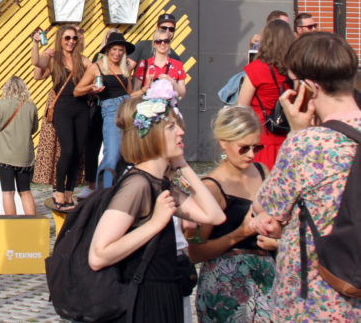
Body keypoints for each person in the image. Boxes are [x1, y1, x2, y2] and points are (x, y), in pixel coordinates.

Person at [88, 79, 225, 323]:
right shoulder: (137, 184)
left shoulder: (159, 184)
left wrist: (182, 164)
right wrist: (155, 223)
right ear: (152, 135)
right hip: (144, 300)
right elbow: (98, 255)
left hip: (166, 295)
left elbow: (214, 216)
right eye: (171, 127)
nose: (181, 132)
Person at [251, 32, 361, 321]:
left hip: (315, 298)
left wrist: (297, 130)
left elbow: (267, 207)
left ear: (311, 87)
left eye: (293, 82)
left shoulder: (309, 144)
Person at [189, 106, 277, 322]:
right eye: (244, 148)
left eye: (257, 147)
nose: (251, 154)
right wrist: (240, 233)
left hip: (266, 277)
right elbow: (195, 251)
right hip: (225, 283)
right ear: (224, 142)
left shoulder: (262, 171)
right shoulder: (211, 187)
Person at [31, 25, 91, 210]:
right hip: (62, 109)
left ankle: (69, 192)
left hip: (81, 109)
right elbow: (37, 63)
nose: (71, 41)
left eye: (74, 38)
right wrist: (35, 43)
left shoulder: (82, 59)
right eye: (67, 38)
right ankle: (58, 190)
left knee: (78, 152)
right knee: (68, 150)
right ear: (60, 39)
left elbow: (98, 71)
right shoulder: (53, 57)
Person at [74, 31, 136, 187]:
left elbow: (129, 92)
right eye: (114, 49)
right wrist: (92, 88)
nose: (117, 53)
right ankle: (104, 190)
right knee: (112, 154)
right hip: (110, 110)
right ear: (107, 50)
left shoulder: (125, 67)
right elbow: (77, 90)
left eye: (120, 50)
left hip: (127, 109)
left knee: (126, 154)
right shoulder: (96, 67)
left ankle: (112, 187)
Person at [236, 19, 295, 169]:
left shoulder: (256, 68)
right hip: (288, 137)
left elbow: (241, 107)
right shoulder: (294, 70)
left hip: (261, 137)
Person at [0, 76, 39, 215]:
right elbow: (34, 129)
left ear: (6, 88)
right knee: (26, 191)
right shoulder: (31, 106)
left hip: (5, 156)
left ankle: (13, 225)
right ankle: (32, 225)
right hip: (25, 156)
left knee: (8, 192)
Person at [133, 28, 187, 98]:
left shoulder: (177, 65)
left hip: (169, 107)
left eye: (166, 41)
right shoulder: (144, 64)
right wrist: (147, 86)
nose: (162, 43)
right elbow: (134, 94)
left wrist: (172, 81)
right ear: (154, 44)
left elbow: (182, 94)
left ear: (169, 43)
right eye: (159, 41)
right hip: (147, 107)